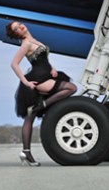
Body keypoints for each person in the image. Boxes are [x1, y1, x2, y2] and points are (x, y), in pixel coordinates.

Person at [6, 21, 77, 166]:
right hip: (39, 79)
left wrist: (52, 68)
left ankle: (26, 152)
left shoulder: (33, 40)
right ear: (16, 34)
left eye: (19, 24)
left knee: (30, 117)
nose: (20, 26)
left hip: (47, 74)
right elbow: (14, 64)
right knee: (71, 88)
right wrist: (26, 82)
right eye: (16, 28)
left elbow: (43, 59)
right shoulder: (25, 44)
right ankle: (43, 104)